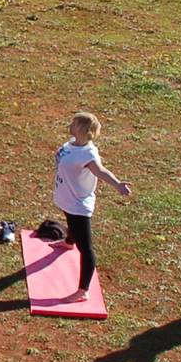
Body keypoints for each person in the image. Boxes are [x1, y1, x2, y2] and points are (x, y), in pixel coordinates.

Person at [52, 112, 133, 298]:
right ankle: (67, 242)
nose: (70, 124)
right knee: (70, 222)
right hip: (67, 198)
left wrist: (118, 184)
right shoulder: (72, 143)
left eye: (74, 122)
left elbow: (100, 171)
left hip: (78, 206)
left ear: (83, 129)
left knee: (86, 248)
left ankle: (83, 291)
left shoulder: (87, 153)